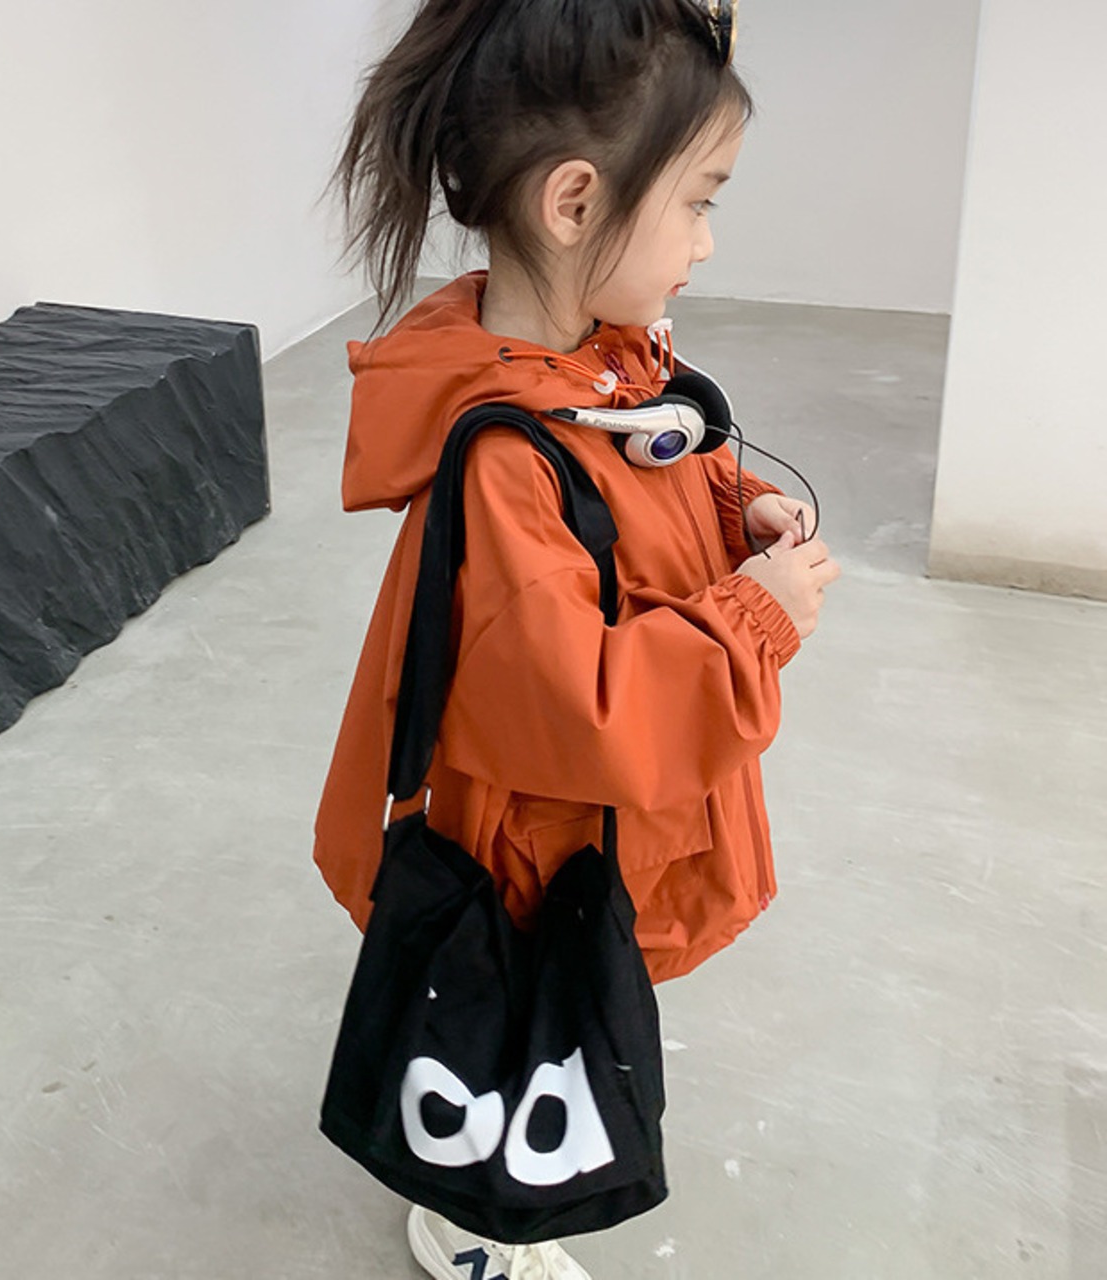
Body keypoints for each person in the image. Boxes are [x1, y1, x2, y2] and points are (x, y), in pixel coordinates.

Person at [314, 2, 841, 1276]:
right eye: (697, 202)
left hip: (592, 821)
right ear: (572, 201)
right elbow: (578, 705)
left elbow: (637, 502)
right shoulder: (506, 452)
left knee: (568, 1007)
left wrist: (731, 512)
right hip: (540, 833)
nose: (705, 243)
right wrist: (754, 616)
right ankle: (473, 1223)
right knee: (523, 1021)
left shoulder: (600, 374)